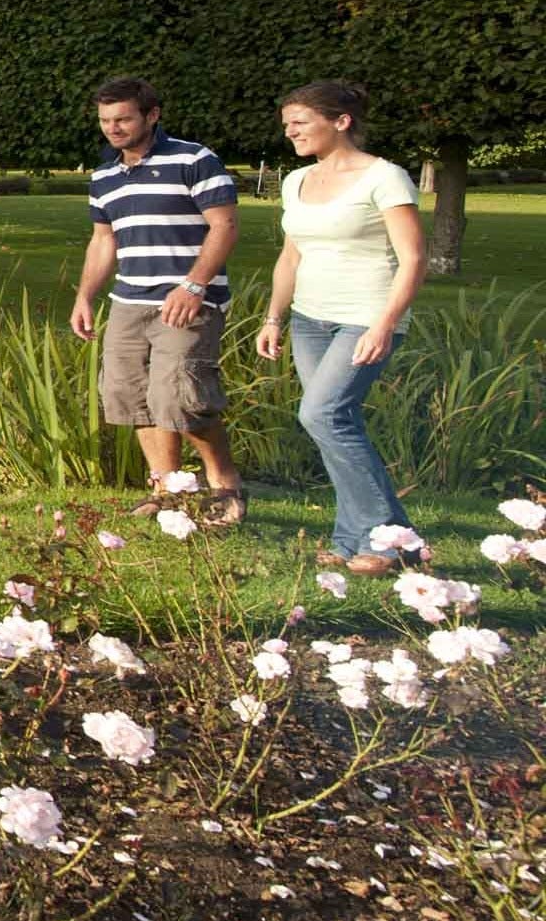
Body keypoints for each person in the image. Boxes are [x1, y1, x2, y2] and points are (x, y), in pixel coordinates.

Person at [253, 81, 426, 575]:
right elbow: (291, 255)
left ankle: (394, 541)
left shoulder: (384, 177)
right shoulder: (295, 181)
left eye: (301, 123)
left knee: (323, 415)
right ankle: (352, 540)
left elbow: (414, 258)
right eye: (288, 125)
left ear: (341, 121)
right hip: (310, 319)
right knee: (333, 425)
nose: (291, 133)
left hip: (365, 316)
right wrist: (273, 317)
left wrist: (384, 324)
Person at [71, 77, 248, 524]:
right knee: (129, 395)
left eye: (123, 119)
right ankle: (167, 489)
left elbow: (224, 226)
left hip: (187, 298)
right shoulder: (105, 175)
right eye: (106, 121)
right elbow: (102, 241)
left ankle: (224, 484)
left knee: (181, 395)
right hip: (129, 301)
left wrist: (194, 285)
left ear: (152, 115)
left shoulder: (194, 158)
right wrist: (85, 297)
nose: (113, 128)